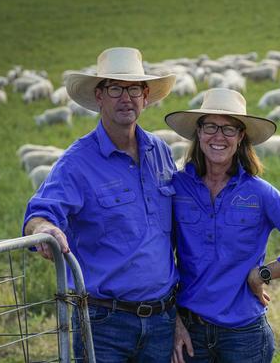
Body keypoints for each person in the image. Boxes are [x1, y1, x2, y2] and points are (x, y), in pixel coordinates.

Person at [22, 47, 179, 362]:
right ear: (100, 96)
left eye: (134, 88)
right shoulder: (76, 163)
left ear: (146, 96)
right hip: (104, 322)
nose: (126, 97)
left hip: (163, 318)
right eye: (115, 88)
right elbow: (38, 216)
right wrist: (47, 229)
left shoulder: (160, 151)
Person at [164, 88, 280, 363]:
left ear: (241, 137)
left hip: (244, 335)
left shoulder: (260, 193)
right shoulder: (176, 188)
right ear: (198, 133)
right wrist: (173, 320)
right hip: (191, 331)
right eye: (211, 127)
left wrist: (261, 274)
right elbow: (159, 256)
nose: (219, 137)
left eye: (229, 129)